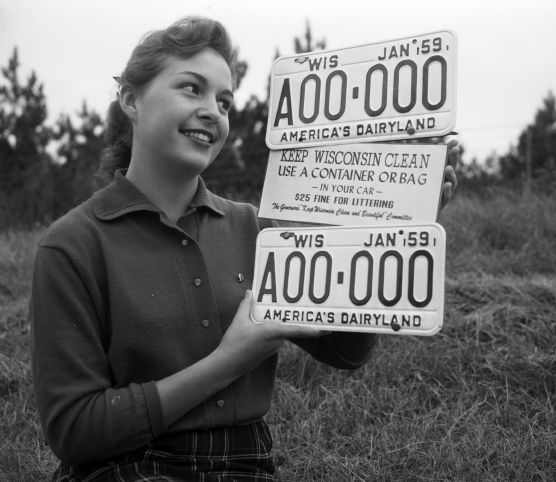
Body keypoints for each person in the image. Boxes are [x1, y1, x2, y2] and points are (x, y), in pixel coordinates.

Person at [30, 16, 458, 481]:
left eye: (225, 100)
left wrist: (386, 224)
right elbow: (75, 431)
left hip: (247, 466)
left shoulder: (256, 230)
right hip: (123, 468)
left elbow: (347, 352)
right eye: (191, 88)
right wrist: (228, 362)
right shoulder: (71, 245)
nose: (213, 110)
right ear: (131, 100)